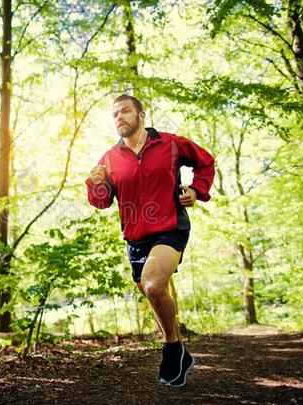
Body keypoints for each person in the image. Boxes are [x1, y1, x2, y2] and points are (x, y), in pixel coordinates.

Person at [86, 94, 215, 387]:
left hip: (170, 227)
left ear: (141, 115)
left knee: (154, 284)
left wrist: (197, 191)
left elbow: (205, 163)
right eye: (115, 114)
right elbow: (103, 201)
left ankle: (171, 349)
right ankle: (180, 351)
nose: (119, 117)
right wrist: (96, 185)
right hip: (135, 238)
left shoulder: (169, 144)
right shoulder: (109, 159)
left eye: (125, 111)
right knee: (150, 291)